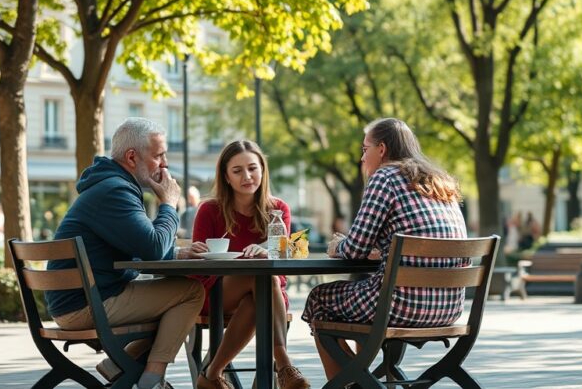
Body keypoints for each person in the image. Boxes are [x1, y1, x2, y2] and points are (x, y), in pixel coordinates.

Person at [302, 118, 468, 381]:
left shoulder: (385, 177)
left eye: (364, 149)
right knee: (367, 293)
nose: (362, 158)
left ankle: (353, 383)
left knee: (319, 299)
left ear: (381, 149)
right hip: (449, 307)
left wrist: (337, 246)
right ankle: (363, 380)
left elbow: (354, 249)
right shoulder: (438, 182)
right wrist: (384, 251)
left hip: (401, 305)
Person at [45, 117, 205, 389]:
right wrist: (168, 204)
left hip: (80, 300)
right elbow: (153, 249)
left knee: (170, 295)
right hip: (85, 306)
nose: (165, 164)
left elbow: (139, 248)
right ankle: (152, 380)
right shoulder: (115, 190)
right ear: (132, 157)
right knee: (191, 292)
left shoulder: (109, 185)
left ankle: (120, 365)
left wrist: (176, 253)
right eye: (159, 156)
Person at [191, 140, 310, 389]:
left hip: (268, 294)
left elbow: (289, 252)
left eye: (253, 168)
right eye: (237, 171)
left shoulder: (278, 209)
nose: (247, 176)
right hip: (216, 293)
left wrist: (268, 250)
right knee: (259, 277)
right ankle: (284, 364)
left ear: (263, 170)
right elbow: (198, 263)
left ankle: (211, 374)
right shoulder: (209, 209)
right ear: (226, 176)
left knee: (259, 290)